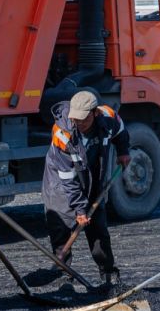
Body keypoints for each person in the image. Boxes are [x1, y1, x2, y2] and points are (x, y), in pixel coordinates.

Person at [41, 90, 130, 286]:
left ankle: (108, 274)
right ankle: (64, 278)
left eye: (83, 119)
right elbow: (67, 178)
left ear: (95, 113)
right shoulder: (62, 133)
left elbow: (121, 130)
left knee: (98, 227)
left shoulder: (108, 117)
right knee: (61, 228)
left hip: (92, 178)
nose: (78, 123)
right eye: (75, 119)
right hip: (60, 183)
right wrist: (80, 209)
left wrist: (123, 151)